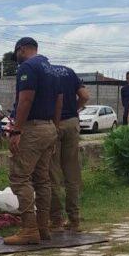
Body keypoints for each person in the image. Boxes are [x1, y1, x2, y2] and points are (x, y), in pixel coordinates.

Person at [4, 37, 62, 245]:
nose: (17, 60)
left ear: (22, 49)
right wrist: (54, 127)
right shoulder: (51, 69)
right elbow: (59, 101)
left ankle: (29, 229)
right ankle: (42, 228)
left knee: (20, 178)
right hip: (49, 127)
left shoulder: (28, 67)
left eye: (17, 55)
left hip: (33, 128)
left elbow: (25, 99)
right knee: (42, 179)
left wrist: (17, 130)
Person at [49, 65, 89, 233]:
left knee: (52, 173)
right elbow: (85, 96)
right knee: (72, 173)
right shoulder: (69, 72)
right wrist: (74, 109)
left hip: (52, 123)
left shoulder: (43, 72)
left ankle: (56, 220)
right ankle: (74, 220)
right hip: (72, 123)